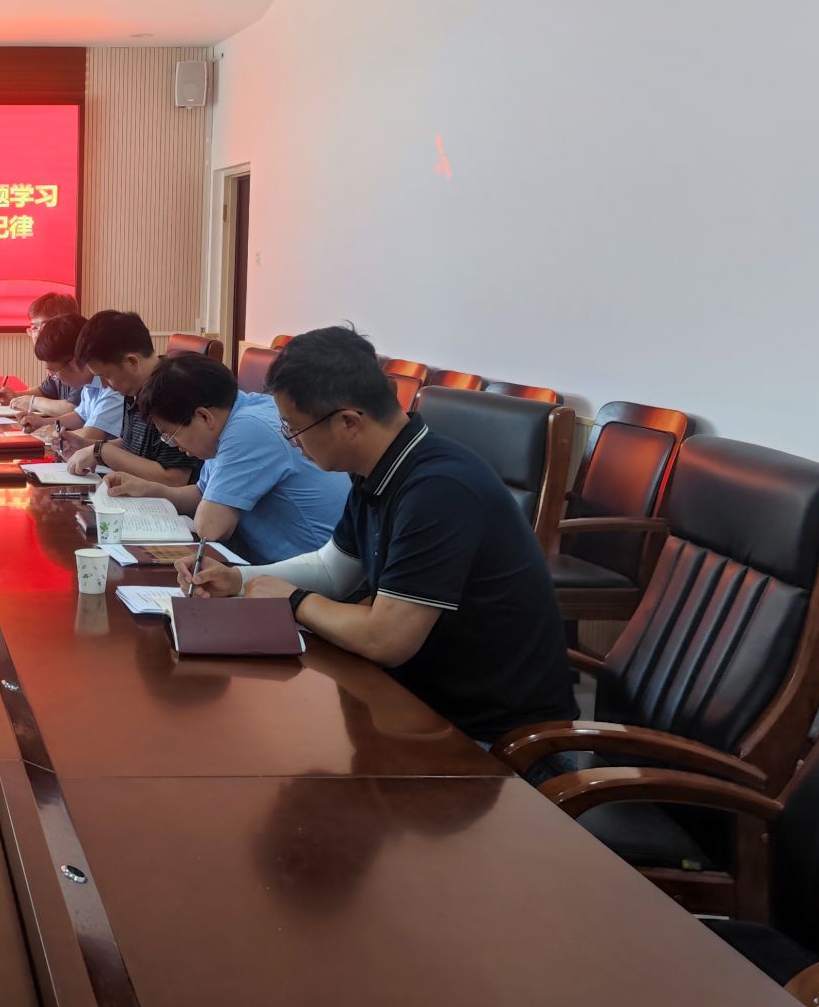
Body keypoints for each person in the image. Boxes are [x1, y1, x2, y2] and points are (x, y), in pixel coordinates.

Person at [177, 325, 577, 745]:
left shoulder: (438, 489)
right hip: (415, 704)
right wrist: (240, 579)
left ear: (348, 422)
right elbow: (333, 569)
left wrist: (293, 600)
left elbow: (387, 638)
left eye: (293, 429)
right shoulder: (379, 469)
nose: (292, 443)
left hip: (493, 739)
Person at [107, 352, 346, 563]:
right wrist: (150, 490)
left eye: (172, 435)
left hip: (320, 577)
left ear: (204, 417)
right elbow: (202, 494)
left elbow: (211, 528)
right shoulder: (232, 416)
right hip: (282, 567)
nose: (173, 444)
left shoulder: (248, 428)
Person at [64, 309, 197, 486]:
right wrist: (86, 445)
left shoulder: (172, 392)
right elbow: (133, 447)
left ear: (132, 362)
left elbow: (175, 479)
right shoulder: (133, 389)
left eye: (106, 376)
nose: (104, 385)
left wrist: (102, 452)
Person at [18, 314, 124, 444]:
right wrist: (42, 422)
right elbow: (80, 416)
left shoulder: (112, 386)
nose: (52, 376)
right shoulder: (89, 383)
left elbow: (91, 435)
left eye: (54, 372)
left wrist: (52, 432)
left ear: (73, 364)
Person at [0, 291, 80, 407]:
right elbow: (45, 391)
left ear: (67, 325)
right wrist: (14, 396)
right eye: (34, 328)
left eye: (46, 326)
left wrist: (33, 402)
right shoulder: (57, 361)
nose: (38, 334)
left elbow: (74, 407)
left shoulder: (79, 362)